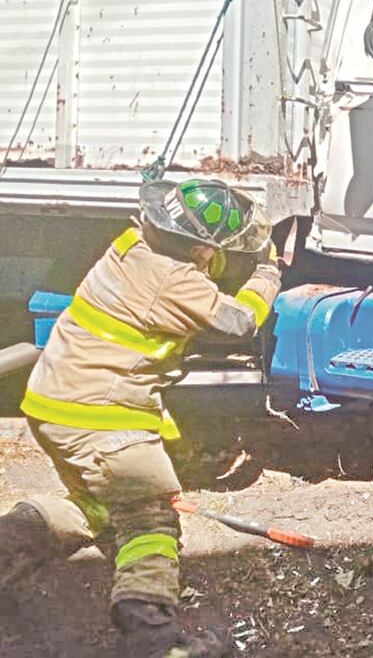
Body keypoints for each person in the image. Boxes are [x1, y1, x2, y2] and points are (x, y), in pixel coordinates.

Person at [0, 179, 282, 657]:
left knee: (96, 506)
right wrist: (266, 273)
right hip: (100, 418)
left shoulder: (131, 243)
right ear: (199, 249)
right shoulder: (176, 281)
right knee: (150, 523)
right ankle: (155, 639)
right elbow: (237, 321)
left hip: (57, 403)